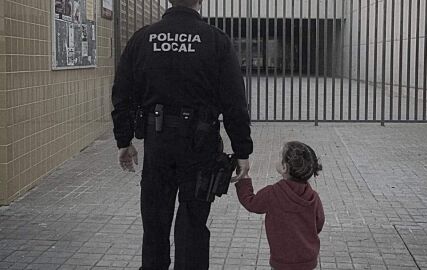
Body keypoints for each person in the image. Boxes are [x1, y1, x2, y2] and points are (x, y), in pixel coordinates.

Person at [110, 0, 253, 269]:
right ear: (200, 2)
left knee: (155, 221)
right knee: (192, 223)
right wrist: (242, 149)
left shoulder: (143, 38)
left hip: (158, 142)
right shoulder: (216, 40)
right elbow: (235, 101)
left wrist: (124, 140)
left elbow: (123, 94)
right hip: (200, 145)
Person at [233, 141, 325, 270]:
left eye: (279, 157)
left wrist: (244, 180)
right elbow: (319, 223)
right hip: (308, 260)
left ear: (284, 168)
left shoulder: (273, 193)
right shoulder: (313, 197)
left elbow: (251, 203)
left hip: (283, 261)